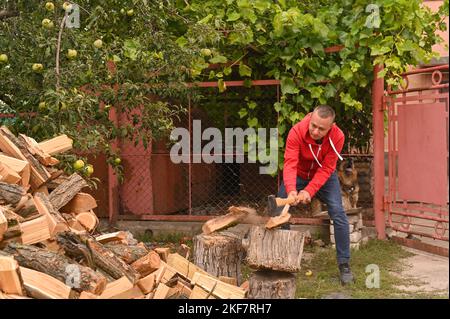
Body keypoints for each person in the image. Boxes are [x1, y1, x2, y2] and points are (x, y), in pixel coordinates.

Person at [277, 105, 354, 285]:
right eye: (314, 126)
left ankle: (344, 265)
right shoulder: (296, 131)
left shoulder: (338, 136)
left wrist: (309, 191)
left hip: (325, 177)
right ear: (311, 118)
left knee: (338, 212)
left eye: (321, 129)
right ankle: (284, 261)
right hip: (299, 175)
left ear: (331, 127)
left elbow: (328, 168)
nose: (315, 131)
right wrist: (291, 190)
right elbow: (289, 163)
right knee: (280, 212)